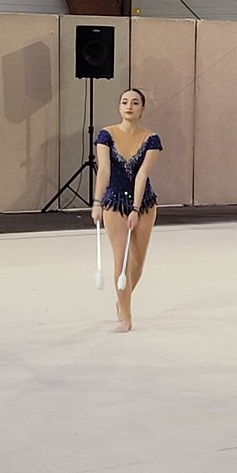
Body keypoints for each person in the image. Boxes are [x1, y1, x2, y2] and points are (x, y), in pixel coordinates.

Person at [91, 88, 161, 333]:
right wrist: (97, 203)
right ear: (119, 107)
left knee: (137, 262)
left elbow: (142, 175)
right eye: (124, 102)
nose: (129, 106)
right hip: (113, 203)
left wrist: (135, 209)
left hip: (144, 204)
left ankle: (122, 299)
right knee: (121, 262)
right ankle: (126, 315)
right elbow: (104, 170)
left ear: (142, 108)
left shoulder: (151, 139)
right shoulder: (106, 135)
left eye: (135, 102)